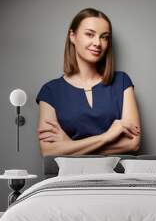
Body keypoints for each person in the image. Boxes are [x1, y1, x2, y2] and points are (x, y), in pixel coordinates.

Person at [36, 8, 141, 156]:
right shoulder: (50, 91)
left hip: (117, 176)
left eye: (104, 37)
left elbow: (132, 143)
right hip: (70, 177)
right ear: (72, 36)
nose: (97, 43)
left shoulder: (122, 82)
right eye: (89, 34)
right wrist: (106, 137)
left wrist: (69, 146)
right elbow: (48, 151)